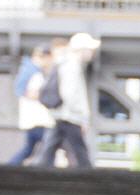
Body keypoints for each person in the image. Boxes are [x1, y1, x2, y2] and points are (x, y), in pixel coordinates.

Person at [40, 32, 101, 168]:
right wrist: (82, 117)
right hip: (70, 115)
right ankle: (90, 176)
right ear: (82, 49)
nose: (91, 52)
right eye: (89, 49)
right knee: (80, 150)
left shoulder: (65, 62)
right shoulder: (72, 65)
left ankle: (40, 170)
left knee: (51, 147)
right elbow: (71, 93)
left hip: (62, 114)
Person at [6, 43, 54, 165]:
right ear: (44, 57)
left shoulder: (28, 69)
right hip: (38, 119)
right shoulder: (33, 72)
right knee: (48, 147)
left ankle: (12, 166)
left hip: (32, 119)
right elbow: (27, 92)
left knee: (30, 149)